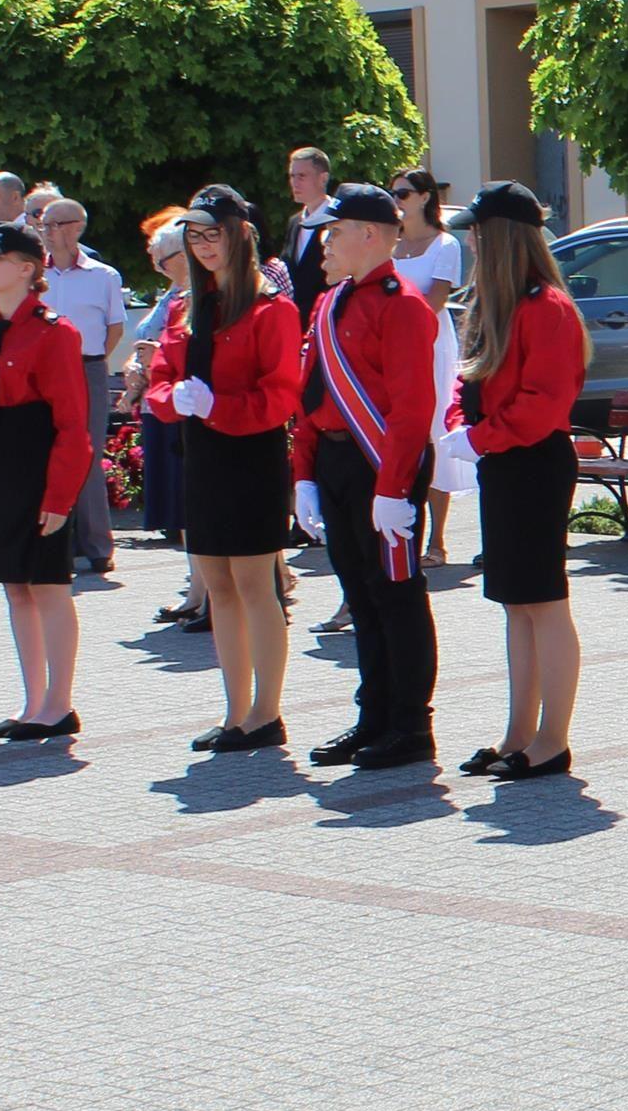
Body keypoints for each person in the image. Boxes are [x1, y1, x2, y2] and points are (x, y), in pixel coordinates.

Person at [291, 182, 443, 771]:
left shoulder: (400, 303)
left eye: (335, 231)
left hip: (382, 466)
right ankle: (373, 717)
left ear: (371, 235)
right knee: (359, 593)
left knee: (396, 596)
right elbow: (311, 396)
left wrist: (392, 490)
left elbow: (410, 408)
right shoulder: (329, 304)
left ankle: (410, 725)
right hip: (335, 461)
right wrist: (304, 474)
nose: (325, 243)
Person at [438, 181, 588, 781]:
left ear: (502, 236)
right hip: (502, 462)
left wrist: (479, 438)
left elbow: (542, 404)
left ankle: (552, 739)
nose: (471, 239)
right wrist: (460, 427)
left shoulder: (545, 307)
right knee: (515, 604)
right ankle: (517, 734)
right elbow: (465, 383)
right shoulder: (493, 304)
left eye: (478, 229)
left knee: (543, 602)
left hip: (533, 465)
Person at [149, 187, 304, 752]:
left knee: (254, 583)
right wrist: (174, 401)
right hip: (203, 456)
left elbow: (281, 393)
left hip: (251, 455)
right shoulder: (186, 306)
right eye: (195, 234)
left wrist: (221, 407)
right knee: (217, 584)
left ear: (240, 235)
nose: (203, 244)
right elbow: (162, 377)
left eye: (213, 232)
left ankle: (266, 712)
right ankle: (236, 710)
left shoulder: (270, 306)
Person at [0, 223, 92, 742]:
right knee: (15, 587)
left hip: (37, 466)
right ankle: (33, 702)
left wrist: (60, 495)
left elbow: (71, 424)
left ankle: (59, 703)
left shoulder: (55, 331)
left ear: (28, 269)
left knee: (49, 586)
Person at [34, 192, 127, 576]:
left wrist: (91, 360)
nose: (47, 232)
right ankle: (57, 539)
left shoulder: (103, 276)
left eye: (54, 224)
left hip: (86, 367)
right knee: (45, 452)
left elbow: (115, 327)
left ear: (76, 228)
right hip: (41, 370)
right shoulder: (34, 274)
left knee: (86, 455)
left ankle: (98, 545)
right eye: (43, 224)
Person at [127, 213, 204, 623]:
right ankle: (197, 590)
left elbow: (182, 355)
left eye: (164, 258)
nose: (158, 266)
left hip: (189, 407)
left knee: (196, 505)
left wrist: (154, 362)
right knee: (184, 505)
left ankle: (206, 595)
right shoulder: (174, 295)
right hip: (165, 404)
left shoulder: (198, 298)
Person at [391, 169, 466, 569]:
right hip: (390, 352)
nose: (396, 199)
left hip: (431, 348)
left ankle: (436, 541)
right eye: (393, 192)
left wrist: (391, 321)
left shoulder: (446, 243)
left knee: (434, 432)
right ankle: (400, 530)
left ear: (424, 197)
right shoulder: (389, 242)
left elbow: (434, 300)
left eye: (403, 193)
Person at [280, 147, 340, 317]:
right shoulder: (294, 222)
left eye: (302, 176)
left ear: (323, 178)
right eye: (292, 176)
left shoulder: (338, 221)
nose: (295, 183)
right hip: (293, 321)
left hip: (326, 317)